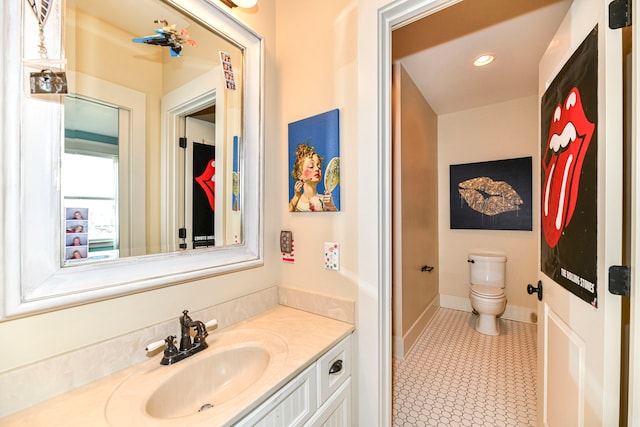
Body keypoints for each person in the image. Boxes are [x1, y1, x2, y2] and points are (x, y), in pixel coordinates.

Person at [288, 142, 337, 212]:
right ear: (299, 174)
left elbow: (336, 219)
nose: (317, 169)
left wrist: (331, 207)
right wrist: (296, 197)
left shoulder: (325, 201)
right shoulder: (296, 202)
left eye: (319, 167)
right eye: (311, 167)